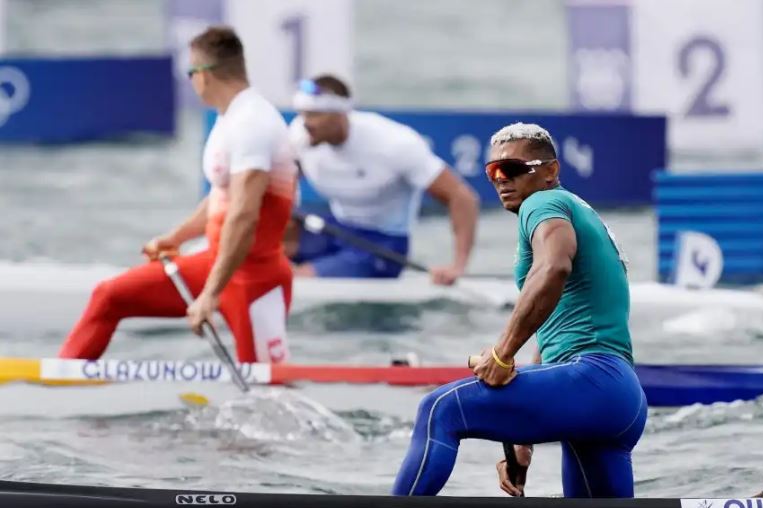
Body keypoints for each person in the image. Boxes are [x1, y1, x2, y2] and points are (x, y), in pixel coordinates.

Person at [392, 122, 647, 498]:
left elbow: (553, 267)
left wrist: (502, 354)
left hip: (592, 381)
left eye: (512, 169)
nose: (500, 180)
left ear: (550, 171)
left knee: (439, 410)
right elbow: (556, 324)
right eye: (492, 171)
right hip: (618, 400)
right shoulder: (580, 212)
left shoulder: (543, 203)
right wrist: (519, 436)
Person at [59, 26, 296, 364]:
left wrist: (209, 294)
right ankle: (59, 383)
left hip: (253, 280)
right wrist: (176, 237)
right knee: (110, 296)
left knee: (271, 393)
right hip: (214, 264)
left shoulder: (253, 124)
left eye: (190, 73)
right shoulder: (229, 118)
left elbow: (244, 215)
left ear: (204, 75)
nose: (190, 81)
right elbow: (221, 199)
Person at [286, 76, 479, 285]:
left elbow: (462, 197)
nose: (305, 123)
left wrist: (457, 266)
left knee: (295, 278)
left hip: (383, 245)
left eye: (314, 114)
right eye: (303, 113)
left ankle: (307, 273)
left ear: (339, 115)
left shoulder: (393, 144)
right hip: (336, 228)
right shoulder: (301, 134)